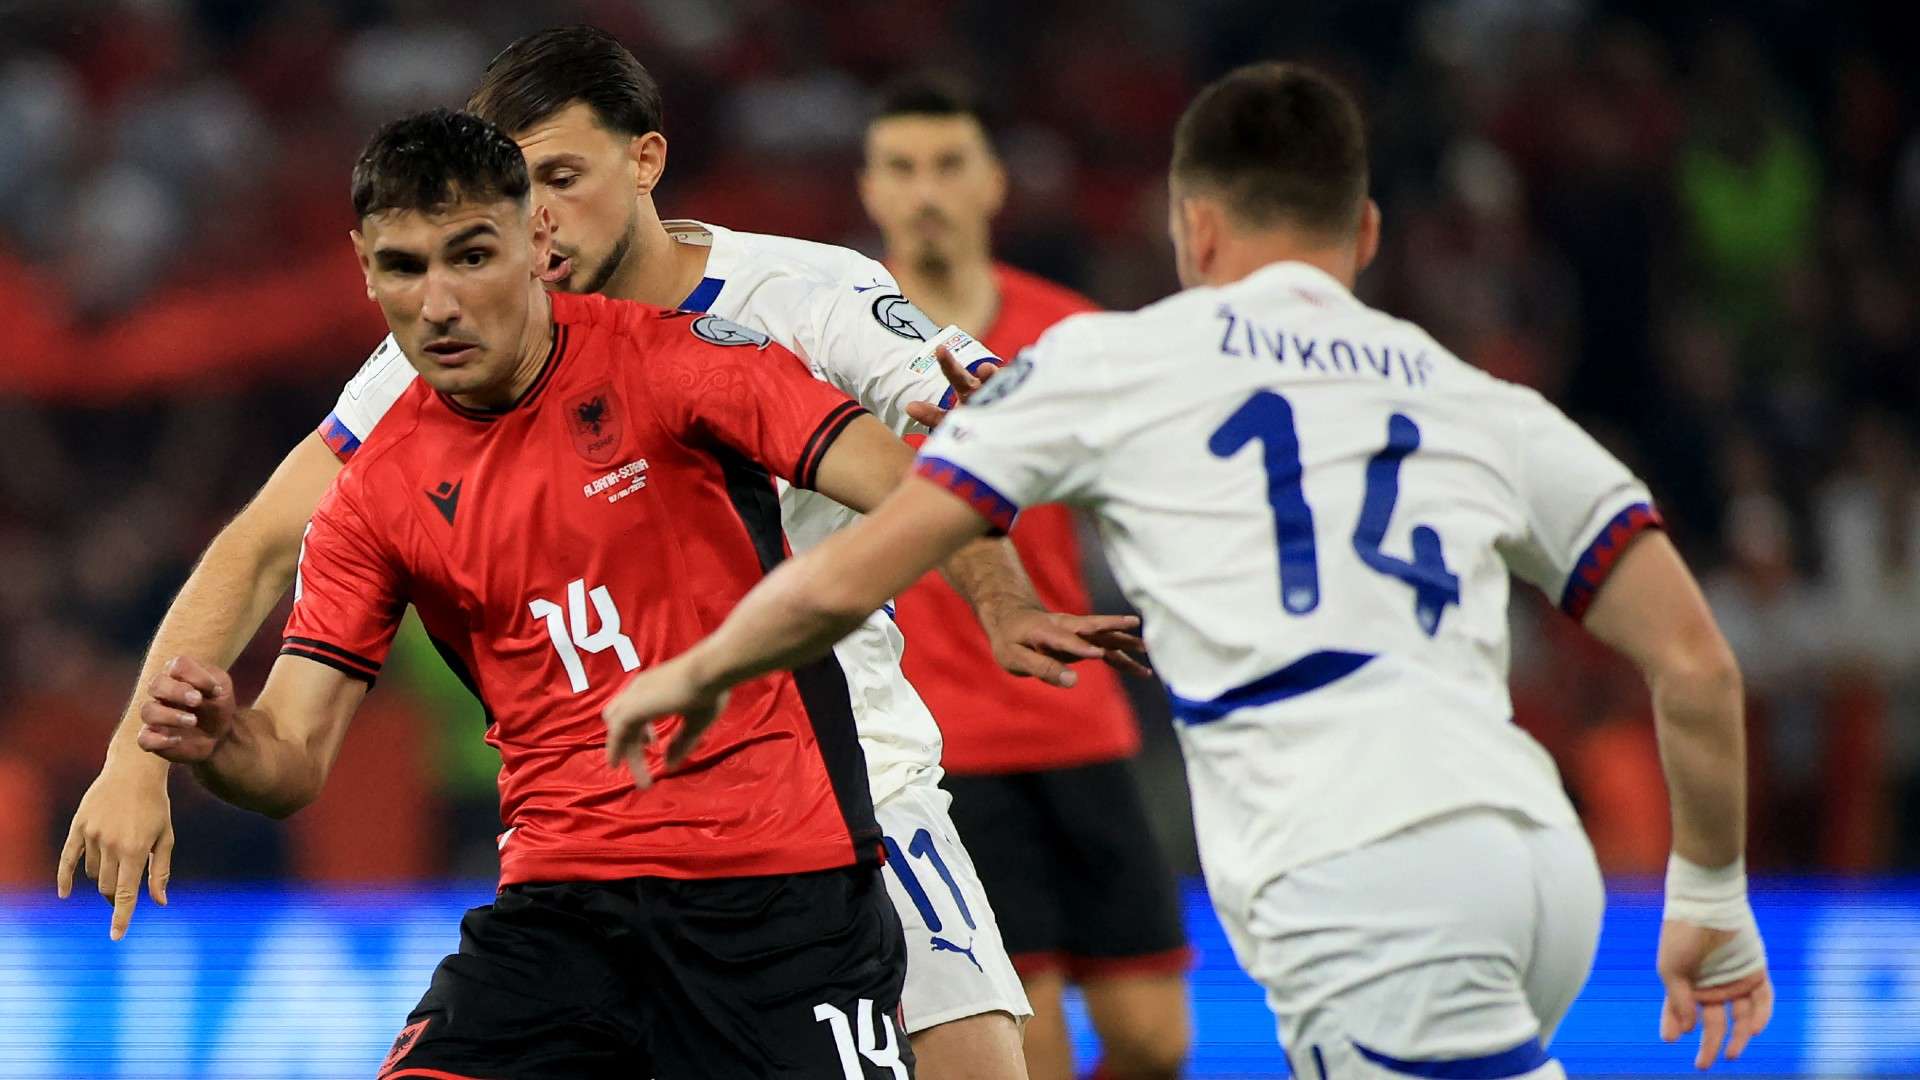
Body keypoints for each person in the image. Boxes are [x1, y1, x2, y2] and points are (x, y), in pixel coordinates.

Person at [603, 63, 1775, 1078]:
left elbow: (868, 556)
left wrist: (696, 671)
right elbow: (1696, 661)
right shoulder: (1484, 401)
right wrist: (1714, 897)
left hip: (1367, 867)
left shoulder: (1117, 360)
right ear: (1364, 236)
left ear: (1191, 227)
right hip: (1536, 857)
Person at [57, 27, 1148, 1078]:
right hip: (590, 838)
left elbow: (942, 446)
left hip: (837, 782)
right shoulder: (437, 356)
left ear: (646, 159)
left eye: (564, 179)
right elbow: (259, 546)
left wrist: (1002, 591)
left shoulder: (788, 303)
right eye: (518, 193)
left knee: (979, 1068)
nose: (546, 222)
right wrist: (137, 757)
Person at [135, 107, 942, 1078]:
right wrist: (224, 743)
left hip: (781, 898)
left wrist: (770, 634)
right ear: (362, 266)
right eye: (402, 267)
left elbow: (922, 497)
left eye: (469, 256)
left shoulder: (685, 361)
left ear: (536, 240)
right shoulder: (375, 496)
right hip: (563, 911)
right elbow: (293, 760)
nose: (436, 303)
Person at [858, 79, 1190, 1080]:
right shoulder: (834, 335)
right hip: (942, 743)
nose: (927, 192)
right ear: (871, 189)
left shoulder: (1067, 333)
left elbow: (1146, 508)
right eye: (904, 168)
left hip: (1080, 721)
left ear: (994, 184)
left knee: (1154, 1040)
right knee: (1026, 1044)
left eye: (949, 165)